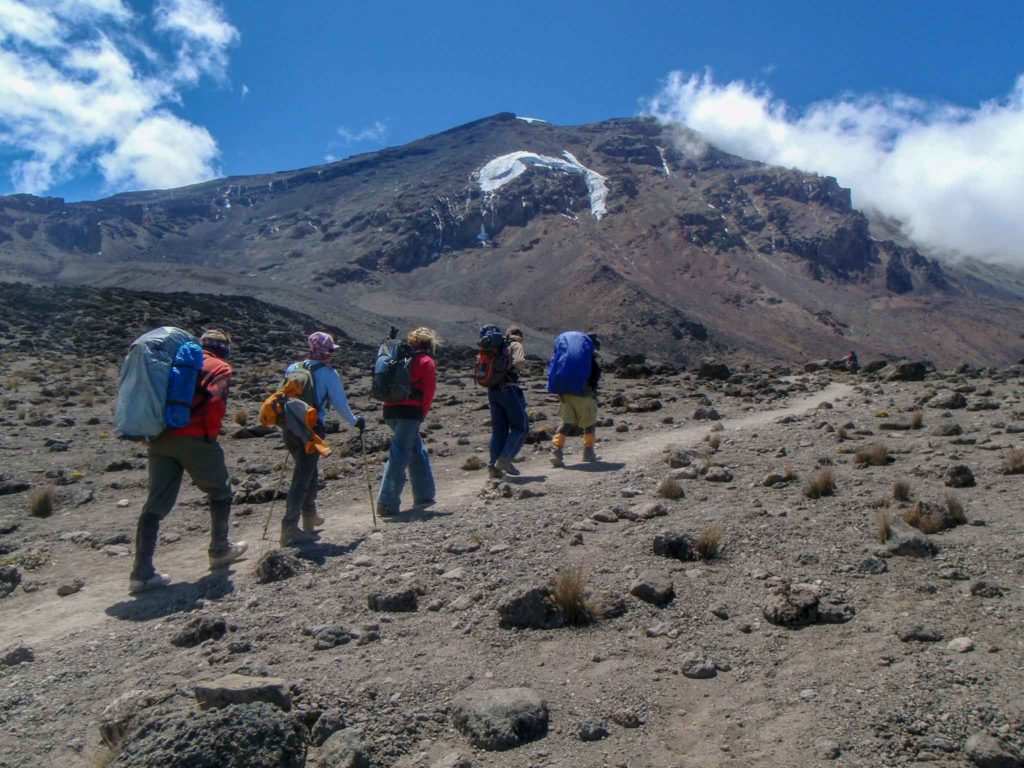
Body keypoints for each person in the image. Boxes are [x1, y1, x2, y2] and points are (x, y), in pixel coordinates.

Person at [129, 329, 247, 594]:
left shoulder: (173, 361)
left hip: (160, 438)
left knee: (155, 504)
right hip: (195, 437)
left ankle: (141, 573)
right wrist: (209, 435)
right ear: (224, 349)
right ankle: (219, 550)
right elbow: (216, 402)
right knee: (220, 491)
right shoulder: (220, 367)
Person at [279, 332, 366, 547]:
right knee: (302, 477)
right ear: (326, 351)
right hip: (311, 429)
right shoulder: (328, 373)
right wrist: (356, 422)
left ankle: (309, 517)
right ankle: (289, 528)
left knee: (308, 471)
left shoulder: (293, 368)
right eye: (331, 350)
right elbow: (339, 403)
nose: (332, 354)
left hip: (290, 426)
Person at [376, 328, 438, 516]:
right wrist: (422, 413)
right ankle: (387, 502)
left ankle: (424, 494)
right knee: (400, 454)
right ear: (429, 344)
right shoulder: (426, 362)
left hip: (390, 409)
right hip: (410, 412)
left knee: (416, 450)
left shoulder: (398, 359)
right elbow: (428, 391)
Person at [551, 333, 602, 467]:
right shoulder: (593, 354)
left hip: (564, 392)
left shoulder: (570, 352)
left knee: (566, 422)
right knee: (589, 422)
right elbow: (596, 373)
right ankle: (588, 453)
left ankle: (556, 452)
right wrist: (592, 388)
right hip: (582, 393)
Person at [487, 327, 529, 479]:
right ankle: (504, 459)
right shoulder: (515, 344)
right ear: (520, 335)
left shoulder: (495, 346)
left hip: (493, 391)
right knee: (521, 427)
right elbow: (519, 362)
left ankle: (493, 467)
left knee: (499, 431)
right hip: (508, 389)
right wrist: (513, 367)